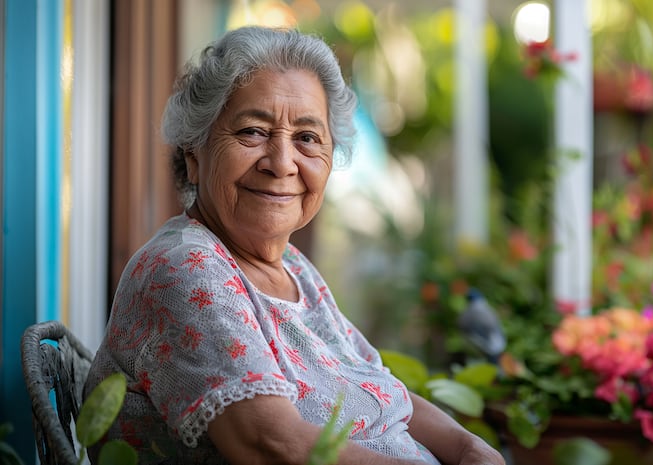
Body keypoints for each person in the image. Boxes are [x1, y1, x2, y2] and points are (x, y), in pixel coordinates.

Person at [84, 26, 505, 465]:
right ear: (194, 155)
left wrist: (470, 448)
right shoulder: (186, 268)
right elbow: (272, 444)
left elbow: (381, 388)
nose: (282, 163)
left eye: (306, 138)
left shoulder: (292, 268)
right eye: (252, 131)